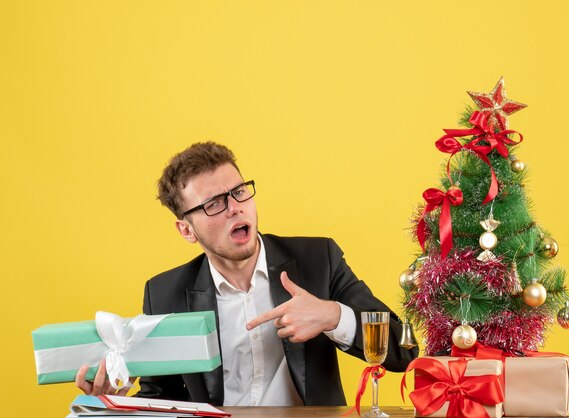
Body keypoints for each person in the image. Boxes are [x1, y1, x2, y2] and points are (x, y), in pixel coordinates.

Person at [76, 141, 417, 406]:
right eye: (214, 203)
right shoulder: (166, 293)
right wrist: (111, 397)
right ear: (187, 231)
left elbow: (406, 350)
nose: (235, 206)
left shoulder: (318, 260)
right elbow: (163, 398)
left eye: (238, 192)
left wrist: (332, 315)